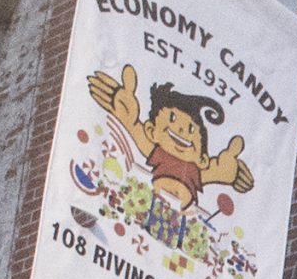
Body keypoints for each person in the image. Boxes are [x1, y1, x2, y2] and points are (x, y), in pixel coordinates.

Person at [87, 64, 252, 209]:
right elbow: (137, 130)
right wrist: (127, 117)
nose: (181, 130)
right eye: (172, 118)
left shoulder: (195, 171)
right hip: (149, 204)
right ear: (152, 131)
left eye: (190, 129)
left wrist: (232, 171)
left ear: (202, 159)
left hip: (179, 218)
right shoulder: (159, 152)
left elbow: (216, 171)